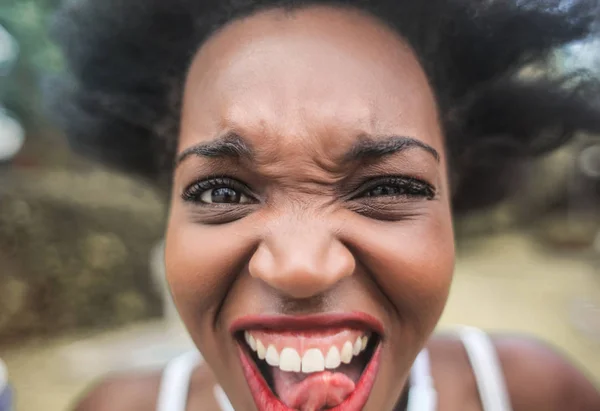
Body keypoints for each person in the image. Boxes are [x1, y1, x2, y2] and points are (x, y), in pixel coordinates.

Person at [49, 0, 600, 410]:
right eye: (221, 193)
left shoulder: (534, 393)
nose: (300, 267)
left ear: (453, 204)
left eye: (388, 188)